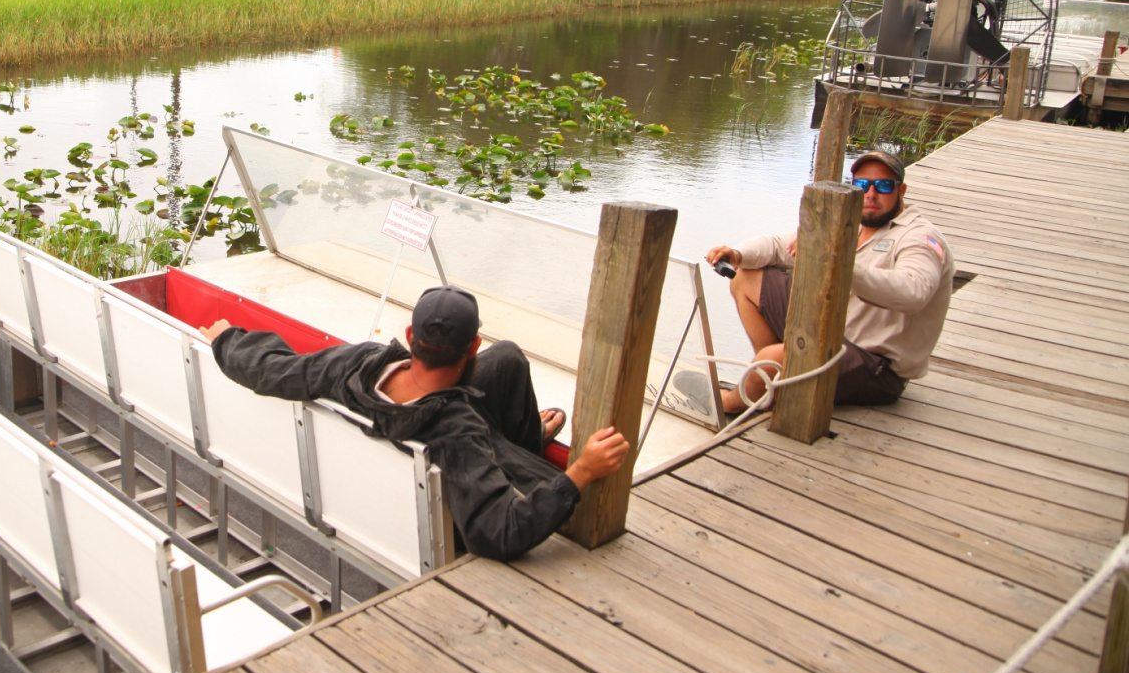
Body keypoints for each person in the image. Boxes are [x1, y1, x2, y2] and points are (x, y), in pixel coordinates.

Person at [198, 286, 629, 561]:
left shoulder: (357, 363)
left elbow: (275, 370)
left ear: (410, 337)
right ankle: (518, 458)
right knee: (559, 482)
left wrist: (226, 340)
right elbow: (498, 533)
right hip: (447, 474)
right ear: (473, 346)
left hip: (403, 421)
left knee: (508, 360)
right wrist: (580, 472)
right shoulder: (457, 429)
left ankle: (524, 441)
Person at [705, 150, 954, 414]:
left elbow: (914, 293)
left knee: (770, 359)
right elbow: (779, 246)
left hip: (876, 367)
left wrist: (838, 262)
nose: (871, 194)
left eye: (882, 186)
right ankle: (776, 378)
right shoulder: (852, 222)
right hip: (833, 332)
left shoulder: (920, 238)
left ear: (900, 190)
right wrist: (737, 254)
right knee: (745, 277)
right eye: (862, 185)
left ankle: (730, 402)